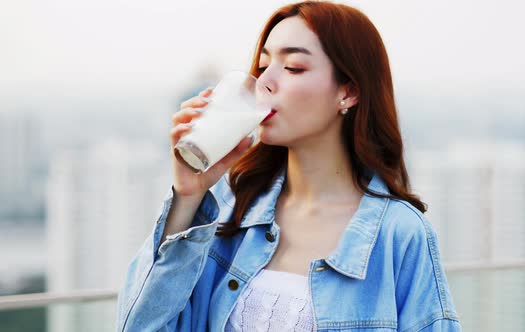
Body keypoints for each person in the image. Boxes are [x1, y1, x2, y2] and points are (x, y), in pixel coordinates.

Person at [117, 1, 461, 331]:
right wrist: (188, 197)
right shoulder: (229, 209)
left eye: (293, 67)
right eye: (263, 66)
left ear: (349, 92)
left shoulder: (400, 235)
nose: (265, 81)